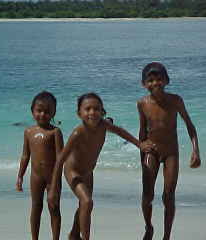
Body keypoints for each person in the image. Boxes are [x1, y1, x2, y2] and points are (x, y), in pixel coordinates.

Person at [48, 92, 143, 240]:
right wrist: (54, 187)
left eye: (96, 109)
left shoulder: (104, 125)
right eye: (87, 109)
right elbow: (61, 159)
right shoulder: (78, 133)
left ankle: (74, 234)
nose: (92, 112)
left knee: (84, 205)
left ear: (102, 112)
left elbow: (122, 133)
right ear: (79, 114)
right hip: (73, 171)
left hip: (88, 172)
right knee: (87, 202)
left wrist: (140, 145)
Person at [137, 62, 201, 240]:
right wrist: (141, 151)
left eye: (159, 79)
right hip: (151, 150)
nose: (155, 83)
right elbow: (142, 131)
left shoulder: (176, 100)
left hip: (171, 151)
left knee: (168, 195)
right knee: (147, 195)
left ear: (166, 81)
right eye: (150, 80)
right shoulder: (142, 103)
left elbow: (190, 125)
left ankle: (166, 236)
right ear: (144, 84)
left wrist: (195, 151)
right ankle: (149, 227)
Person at [16, 91, 64, 240]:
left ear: (53, 113)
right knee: (36, 207)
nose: (42, 114)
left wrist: (55, 183)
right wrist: (20, 176)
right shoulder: (28, 132)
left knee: (54, 208)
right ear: (32, 111)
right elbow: (25, 156)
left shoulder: (55, 132)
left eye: (47, 111)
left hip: (52, 178)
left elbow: (60, 159)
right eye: (39, 111)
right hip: (35, 177)